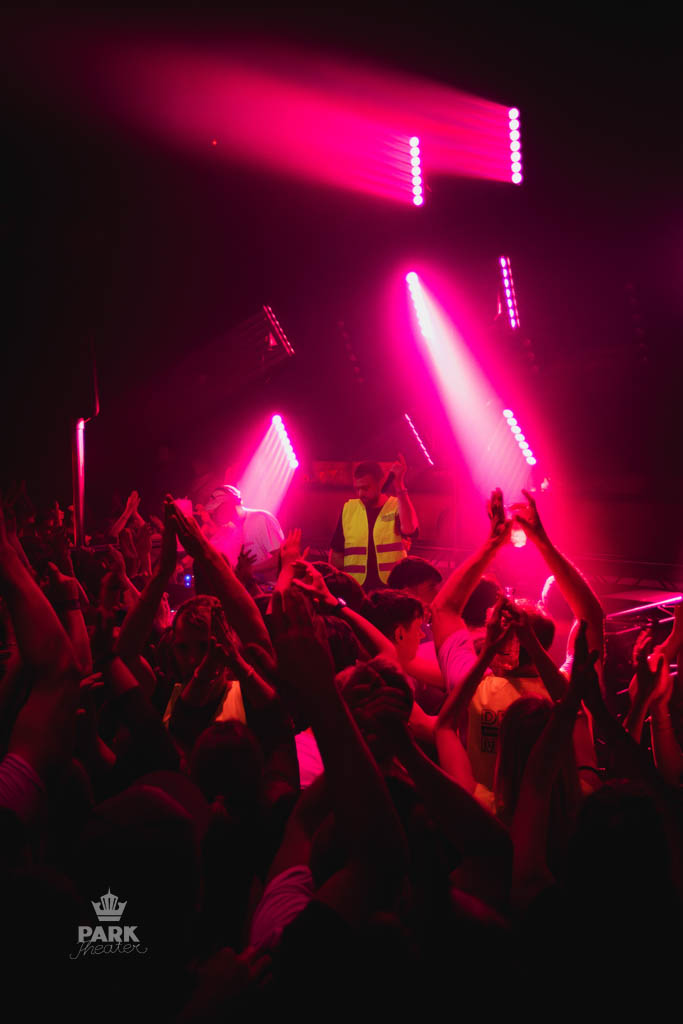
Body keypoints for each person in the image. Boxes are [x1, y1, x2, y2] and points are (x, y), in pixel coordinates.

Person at [329, 455, 419, 592]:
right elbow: (335, 556)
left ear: (380, 483)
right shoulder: (349, 509)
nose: (360, 493)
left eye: (365, 488)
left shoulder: (397, 505)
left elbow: (410, 528)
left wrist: (399, 485)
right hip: (357, 590)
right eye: (357, 489)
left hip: (392, 590)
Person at [204, 484, 285, 584]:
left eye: (215, 509)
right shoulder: (228, 529)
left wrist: (250, 570)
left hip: (270, 589)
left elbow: (282, 557)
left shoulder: (260, 519)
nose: (212, 514)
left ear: (228, 505)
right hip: (248, 589)